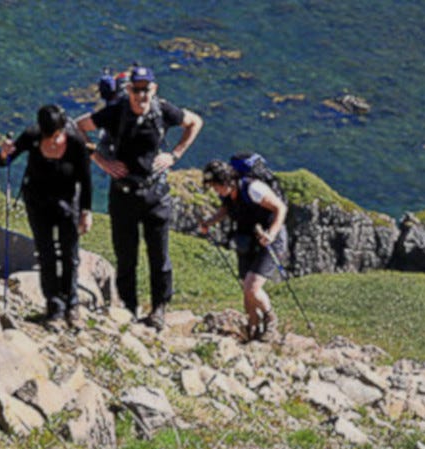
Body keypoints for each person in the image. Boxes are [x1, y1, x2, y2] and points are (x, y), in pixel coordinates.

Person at [75, 66, 203, 328]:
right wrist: (101, 161)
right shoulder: (115, 112)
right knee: (126, 257)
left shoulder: (163, 110)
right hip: (123, 195)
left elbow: (195, 122)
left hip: (156, 195)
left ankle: (159, 310)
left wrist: (174, 155)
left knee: (160, 256)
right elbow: (77, 127)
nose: (141, 95)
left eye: (146, 89)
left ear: (153, 89)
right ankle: (130, 310)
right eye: (136, 89)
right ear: (129, 90)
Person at [0, 104, 93, 327]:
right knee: (46, 253)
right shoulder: (32, 136)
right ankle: (54, 306)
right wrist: (4, 153)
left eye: (57, 135)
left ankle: (72, 304)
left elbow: (85, 180)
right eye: (48, 136)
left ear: (63, 129)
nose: (53, 141)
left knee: (70, 255)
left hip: (68, 203)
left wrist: (85, 212)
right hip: (38, 203)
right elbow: (4, 162)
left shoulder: (76, 141)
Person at [199, 159, 287, 340]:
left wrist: (271, 234)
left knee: (252, 288)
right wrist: (209, 222)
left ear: (226, 181)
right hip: (247, 240)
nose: (216, 191)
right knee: (246, 288)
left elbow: (280, 208)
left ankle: (270, 320)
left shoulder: (253, 189)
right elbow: (225, 210)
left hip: (270, 239)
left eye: (216, 186)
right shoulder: (228, 194)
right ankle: (252, 329)